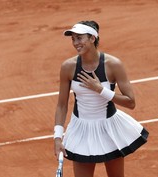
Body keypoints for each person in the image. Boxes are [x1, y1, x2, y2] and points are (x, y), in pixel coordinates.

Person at [53, 20, 149, 177]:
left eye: (79, 38)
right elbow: (62, 105)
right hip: (81, 131)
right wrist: (57, 137)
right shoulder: (68, 67)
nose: (75, 43)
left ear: (92, 38)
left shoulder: (113, 65)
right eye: (73, 39)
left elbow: (131, 102)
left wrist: (100, 90)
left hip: (109, 131)